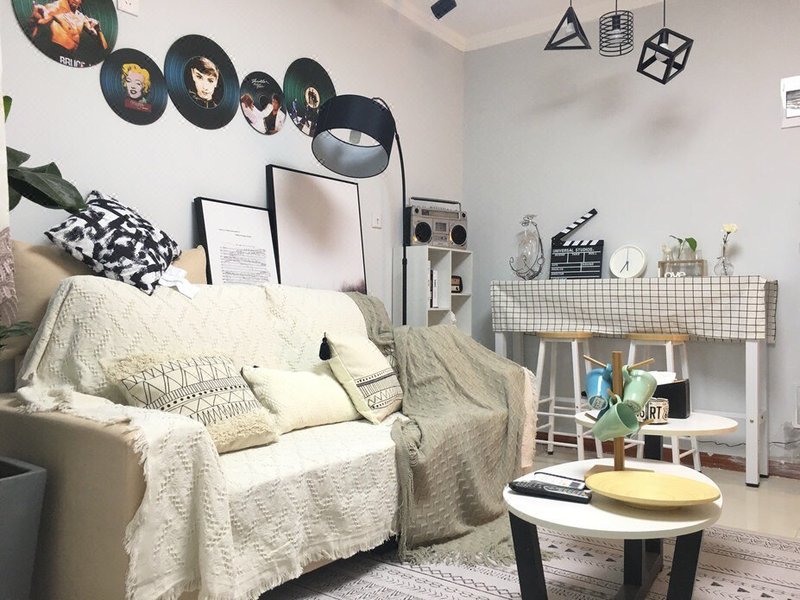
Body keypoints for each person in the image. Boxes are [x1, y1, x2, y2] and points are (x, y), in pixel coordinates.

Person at [29, 0, 107, 54]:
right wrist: (34, 19)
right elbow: (36, 27)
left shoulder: (82, 18)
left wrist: (98, 29)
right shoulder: (55, 7)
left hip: (70, 57)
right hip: (54, 51)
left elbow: (103, 48)